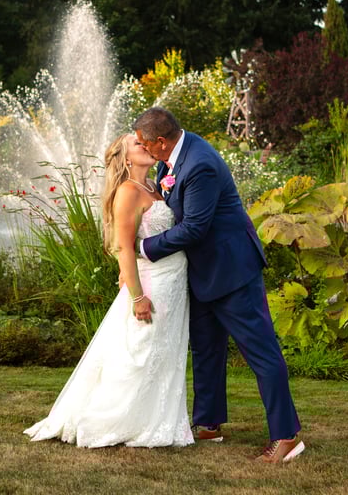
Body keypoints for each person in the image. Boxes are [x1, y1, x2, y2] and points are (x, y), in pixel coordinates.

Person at [133, 107, 304, 464]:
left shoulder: (200, 165)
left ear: (160, 142)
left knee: (261, 352)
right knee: (206, 349)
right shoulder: (173, 158)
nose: (140, 147)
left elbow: (194, 227)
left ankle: (287, 436)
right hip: (202, 272)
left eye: (144, 143)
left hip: (232, 271)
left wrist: (144, 248)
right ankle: (208, 424)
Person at [23, 133, 193, 448]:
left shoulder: (154, 186)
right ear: (125, 158)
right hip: (152, 284)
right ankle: (112, 419)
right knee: (139, 353)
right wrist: (138, 296)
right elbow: (123, 248)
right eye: (137, 144)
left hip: (173, 281)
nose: (145, 145)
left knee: (165, 352)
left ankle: (158, 420)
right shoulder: (127, 192)